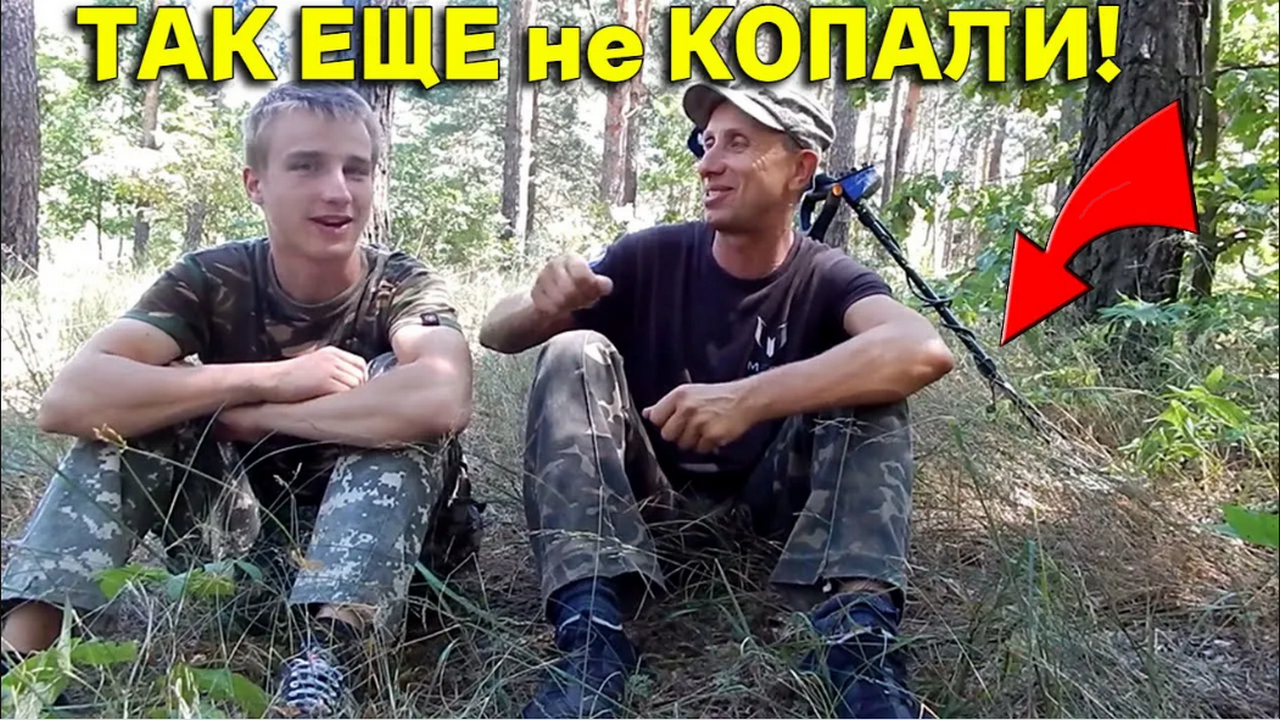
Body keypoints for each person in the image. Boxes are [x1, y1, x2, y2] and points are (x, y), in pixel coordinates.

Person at [479, 79, 955, 718]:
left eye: (737, 143)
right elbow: (496, 333)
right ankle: (591, 635)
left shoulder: (827, 275)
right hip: (650, 505)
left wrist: (749, 399)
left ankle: (857, 645)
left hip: (775, 514)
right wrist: (542, 304)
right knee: (572, 351)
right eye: (707, 144)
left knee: (872, 384)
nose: (708, 163)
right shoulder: (651, 255)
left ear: (800, 170)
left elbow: (922, 349)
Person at [0, 82, 479, 718]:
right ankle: (20, 664)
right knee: (137, 408)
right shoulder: (211, 278)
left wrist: (253, 419)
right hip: (246, 548)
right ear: (255, 184)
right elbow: (69, 400)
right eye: (306, 166)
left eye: (356, 170)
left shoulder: (400, 283)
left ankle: (324, 670)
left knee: (396, 387)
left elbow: (442, 397)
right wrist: (266, 378)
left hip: (396, 559)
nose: (338, 191)